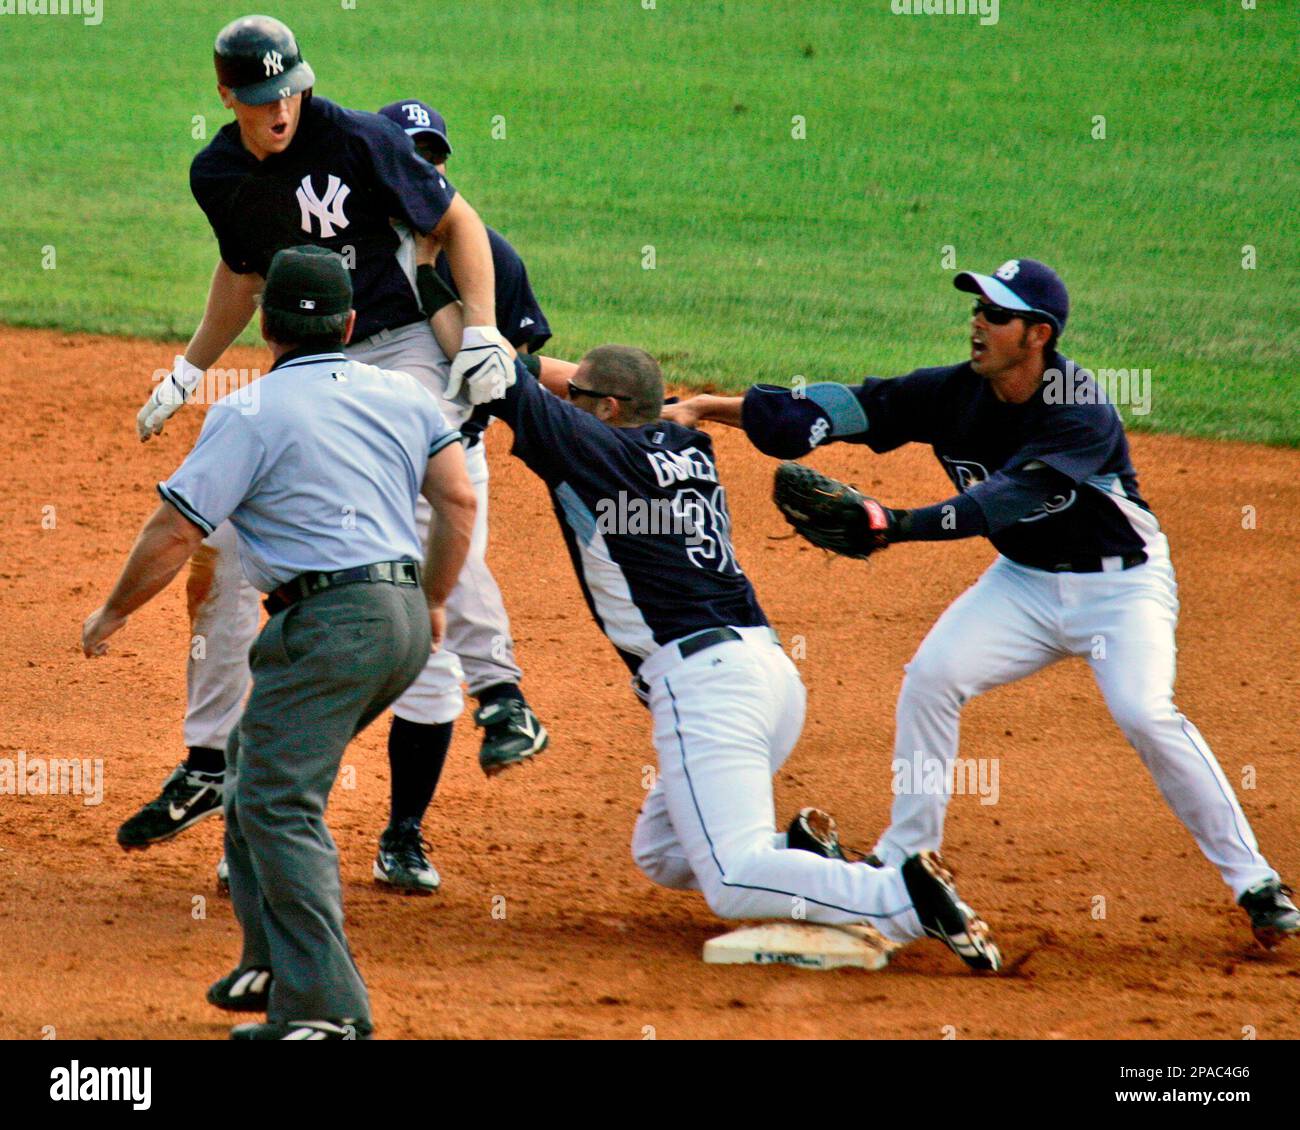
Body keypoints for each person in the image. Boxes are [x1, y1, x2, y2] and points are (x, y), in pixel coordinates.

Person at [663, 257, 1300, 950]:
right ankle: (906, 861)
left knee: (1145, 712)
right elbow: (839, 408)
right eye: (976, 308)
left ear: (1037, 335)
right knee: (932, 679)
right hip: (1024, 582)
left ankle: (1257, 883)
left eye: (996, 314)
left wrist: (895, 524)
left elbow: (1005, 499)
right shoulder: (951, 392)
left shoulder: (1077, 408)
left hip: (1121, 590)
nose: (977, 322)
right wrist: (709, 408)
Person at [120, 15, 546, 897]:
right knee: (229, 544)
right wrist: (188, 368)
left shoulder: (356, 136)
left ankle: (501, 695)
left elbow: (459, 222)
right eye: (262, 96)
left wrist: (485, 335)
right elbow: (242, 275)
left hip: (398, 348)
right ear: (228, 96)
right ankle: (206, 760)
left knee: (436, 501)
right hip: (315, 355)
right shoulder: (220, 174)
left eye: (289, 90)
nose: (281, 109)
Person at [470, 340, 1002, 971]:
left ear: (608, 409)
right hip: (768, 677)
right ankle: (803, 857)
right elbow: (565, 388)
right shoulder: (685, 445)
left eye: (578, 399)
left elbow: (499, 374)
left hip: (707, 688)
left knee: (729, 877)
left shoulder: (598, 450)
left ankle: (900, 896)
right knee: (663, 853)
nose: (568, 404)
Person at [84, 246, 476, 1038]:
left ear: (266, 325)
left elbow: (173, 532)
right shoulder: (404, 395)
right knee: (252, 770)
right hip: (398, 620)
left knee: (277, 802)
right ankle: (269, 960)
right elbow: (459, 502)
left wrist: (113, 612)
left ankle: (328, 1008)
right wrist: (432, 601)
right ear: (351, 322)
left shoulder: (250, 411)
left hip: (330, 627)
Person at [377, 98, 552, 356]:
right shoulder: (347, 241)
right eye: (409, 156)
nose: (422, 169)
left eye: (432, 156)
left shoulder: (491, 254)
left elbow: (519, 372)